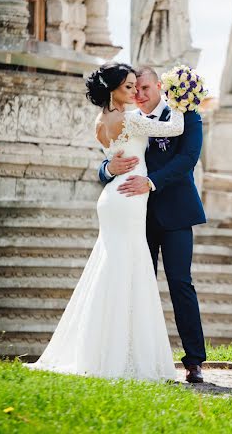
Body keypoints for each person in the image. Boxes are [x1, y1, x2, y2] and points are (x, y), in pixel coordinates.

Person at [26, 63, 188, 381]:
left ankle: (103, 348)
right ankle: (122, 354)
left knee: (112, 268)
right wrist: (178, 99)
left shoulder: (99, 121)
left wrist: (112, 166)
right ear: (113, 89)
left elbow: (111, 158)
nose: (134, 92)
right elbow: (175, 129)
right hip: (127, 199)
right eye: (128, 86)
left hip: (113, 197)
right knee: (129, 267)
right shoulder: (131, 119)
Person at [99, 66, 207, 383]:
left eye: (145, 88)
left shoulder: (186, 115)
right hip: (136, 215)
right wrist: (107, 169)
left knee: (180, 283)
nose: (140, 95)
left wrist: (151, 182)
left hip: (175, 213)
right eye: (136, 89)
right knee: (135, 284)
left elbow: (187, 159)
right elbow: (109, 154)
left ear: (160, 86)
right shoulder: (129, 118)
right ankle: (132, 355)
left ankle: (194, 360)